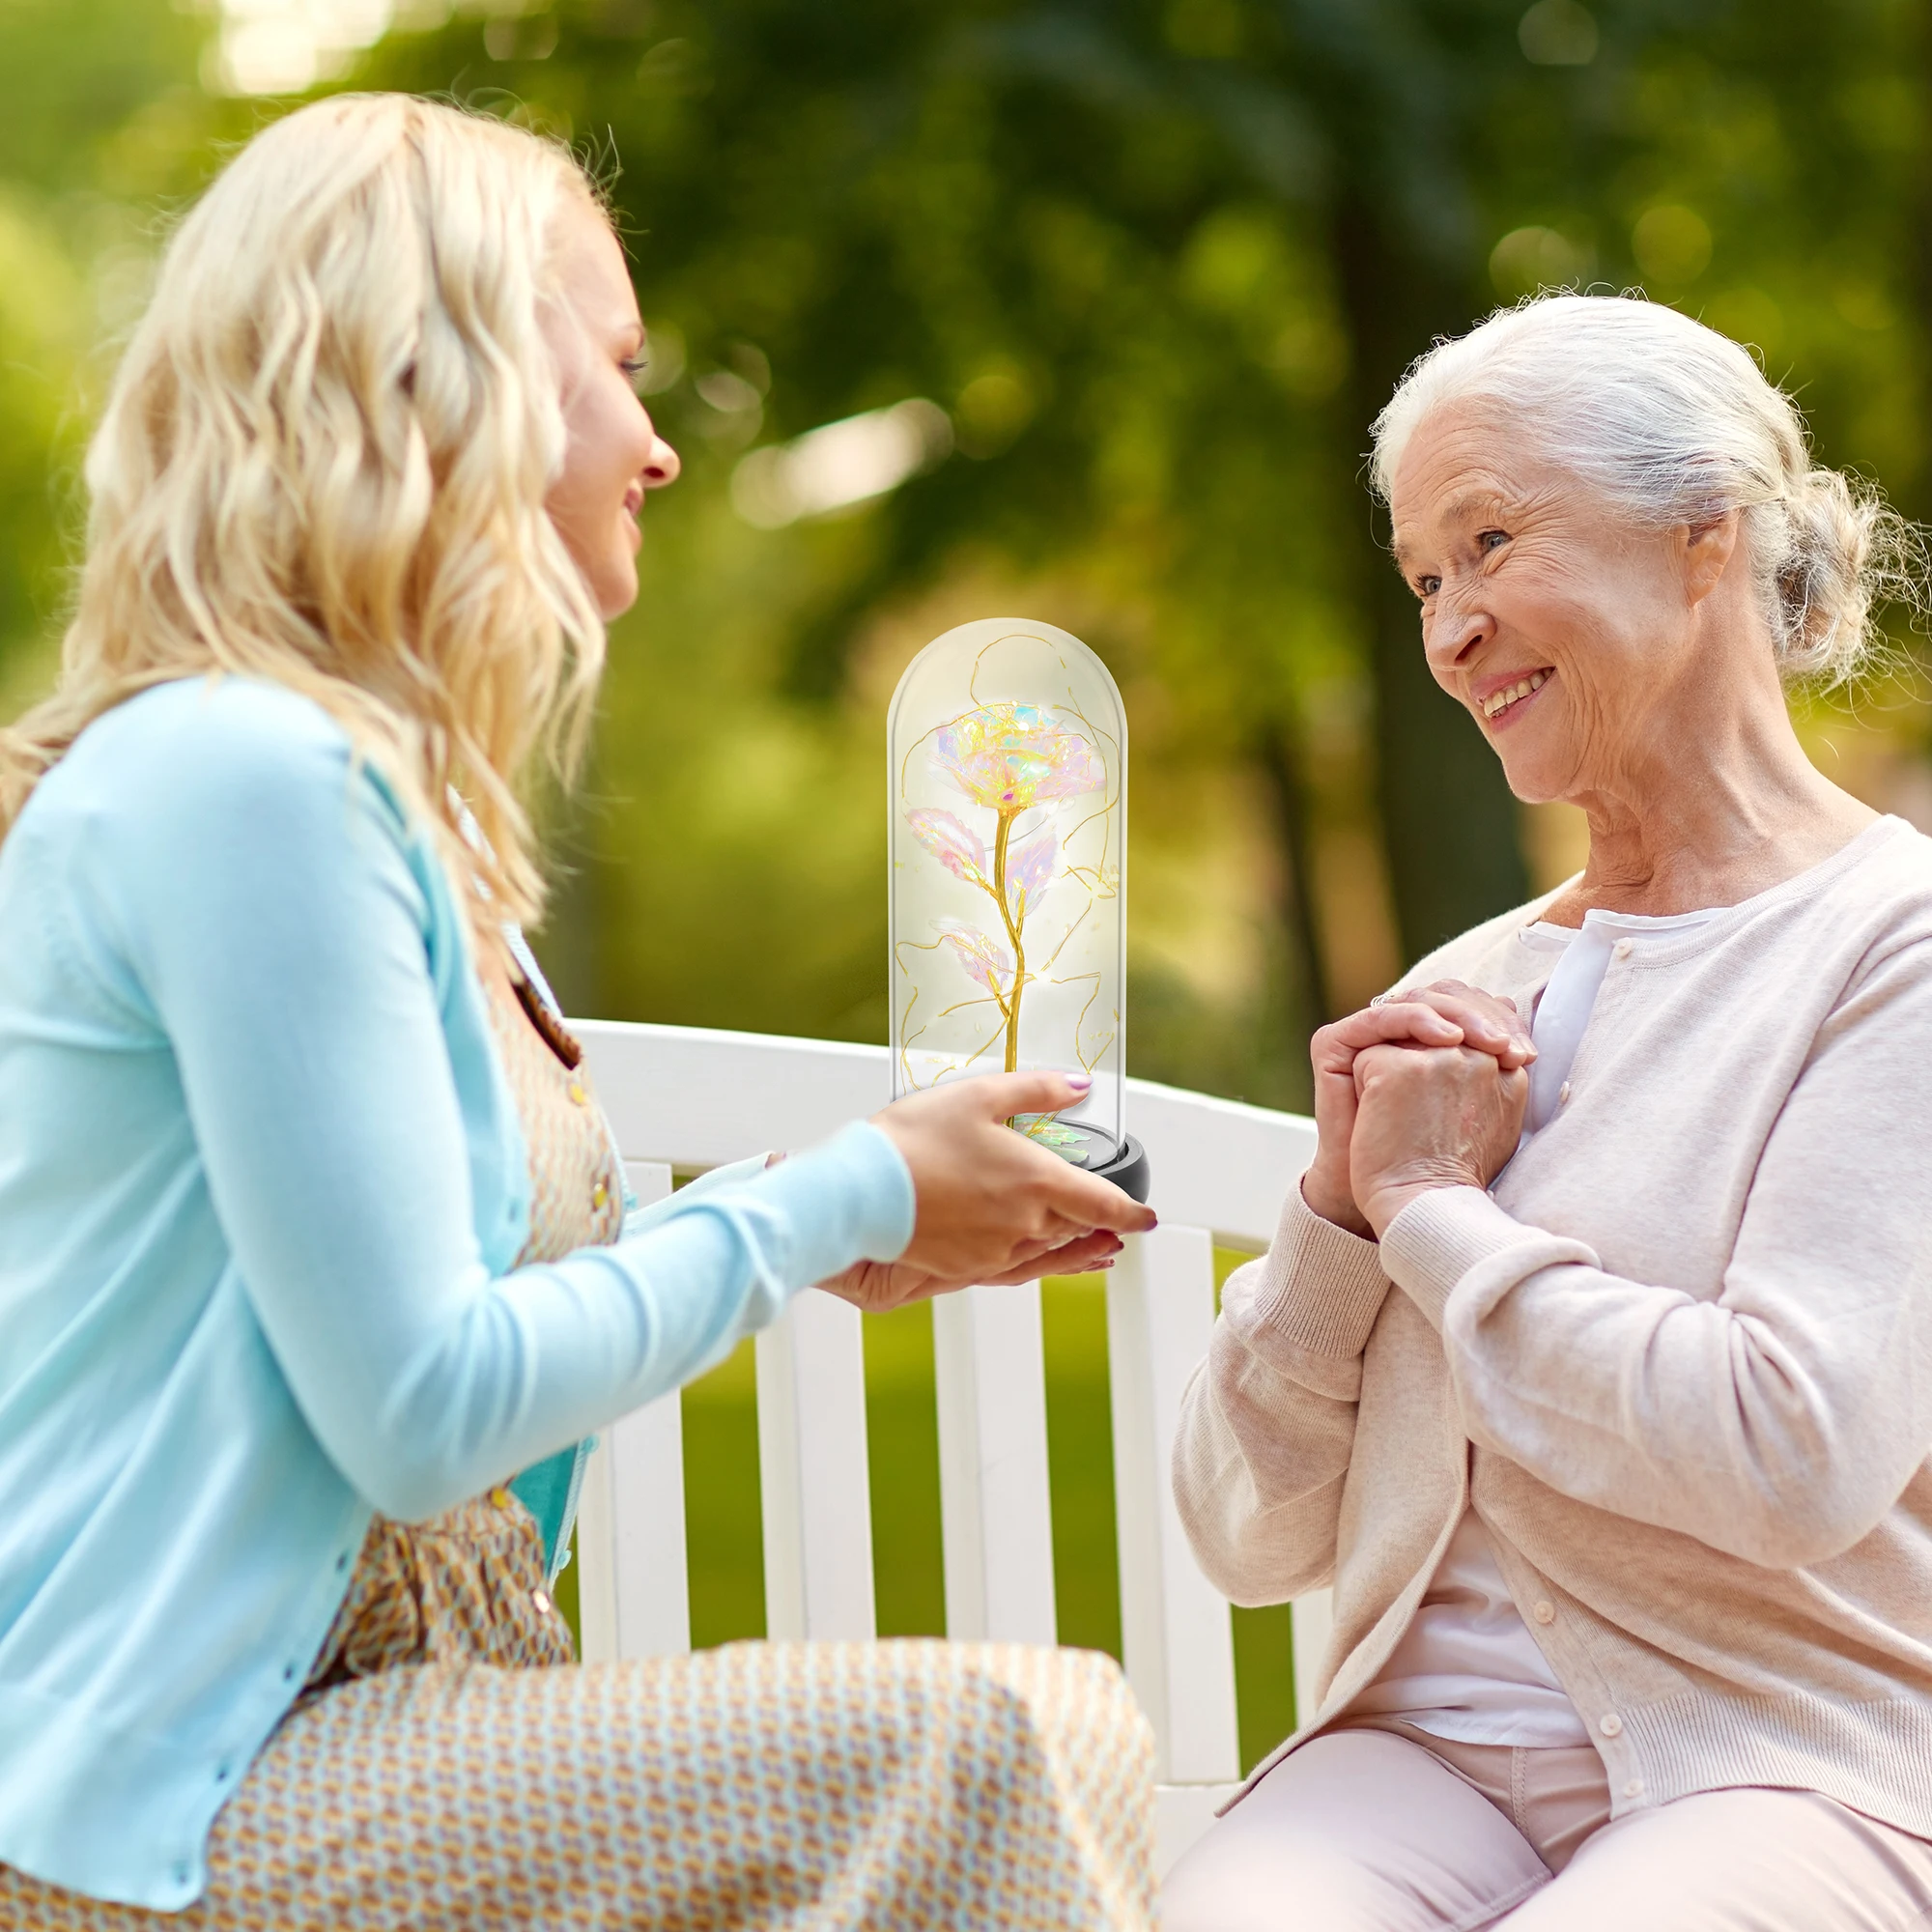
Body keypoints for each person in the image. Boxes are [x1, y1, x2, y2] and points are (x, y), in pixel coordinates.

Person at [0, 94, 1160, 1928]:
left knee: (1055, 1731)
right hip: (165, 1796)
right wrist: (834, 1198)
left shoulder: (379, 802)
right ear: (437, 376)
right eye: (620, 363)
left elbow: (415, 1315)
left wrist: (829, 1217)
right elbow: (419, 1411)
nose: (658, 441)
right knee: (986, 1744)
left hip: (370, 1738)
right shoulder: (244, 782)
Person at [1163, 293, 1932, 1930]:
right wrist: (1338, 1218)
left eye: (1492, 541)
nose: (1447, 630)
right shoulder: (1463, 984)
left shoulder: (1893, 952)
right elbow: (1245, 1528)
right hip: (1415, 1763)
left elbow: (1787, 1452)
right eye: (1425, 581)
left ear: (1703, 537)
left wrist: (1439, 1217)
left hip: (1782, 1756)